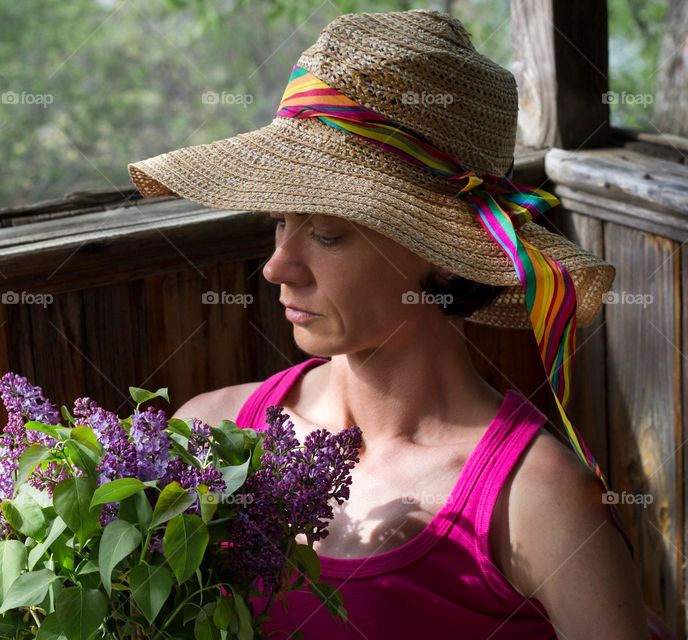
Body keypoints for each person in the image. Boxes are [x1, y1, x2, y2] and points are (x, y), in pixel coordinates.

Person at [127, 9, 670, 639]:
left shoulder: (537, 501)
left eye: (328, 233)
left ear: (441, 252)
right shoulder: (205, 437)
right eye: (279, 221)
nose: (278, 267)